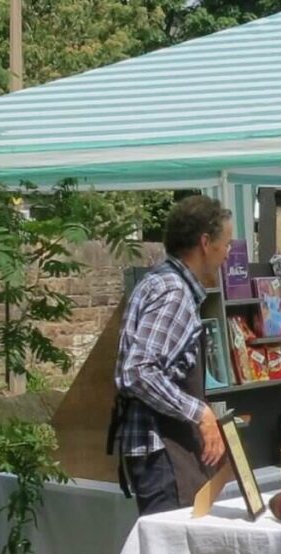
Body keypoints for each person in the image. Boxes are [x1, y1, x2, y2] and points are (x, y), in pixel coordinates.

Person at [109, 196, 231, 515]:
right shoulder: (173, 291)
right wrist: (199, 414)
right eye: (226, 244)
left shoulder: (160, 281)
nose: (228, 255)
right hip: (164, 457)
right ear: (205, 242)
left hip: (161, 456)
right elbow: (137, 371)